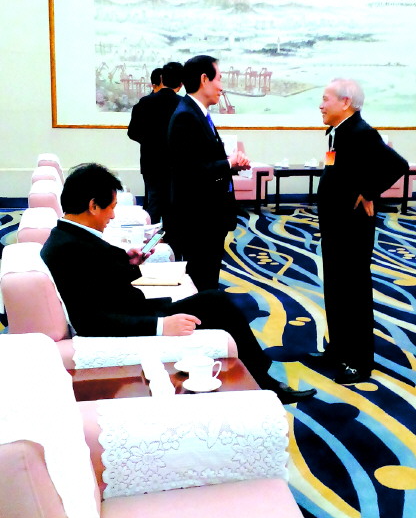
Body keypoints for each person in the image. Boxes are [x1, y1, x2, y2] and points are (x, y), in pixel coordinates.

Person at [41, 163, 316, 404]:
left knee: (215, 300)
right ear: (93, 206)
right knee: (217, 303)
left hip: (133, 309)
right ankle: (264, 381)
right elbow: (90, 320)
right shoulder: (69, 249)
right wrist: (162, 326)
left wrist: (129, 262)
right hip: (134, 322)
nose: (112, 216)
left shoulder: (70, 237)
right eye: (111, 208)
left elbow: (102, 279)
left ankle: (260, 373)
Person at [308, 78, 408, 385]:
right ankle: (338, 350)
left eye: (326, 99)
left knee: (354, 295)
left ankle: (359, 362)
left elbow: (397, 165)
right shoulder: (338, 132)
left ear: (345, 102)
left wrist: (368, 192)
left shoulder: (361, 132)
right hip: (336, 226)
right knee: (336, 290)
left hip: (352, 230)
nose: (321, 105)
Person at [166, 55, 249, 291]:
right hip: (199, 218)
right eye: (219, 79)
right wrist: (228, 163)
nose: (222, 87)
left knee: (207, 275)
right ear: (204, 79)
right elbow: (191, 171)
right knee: (202, 278)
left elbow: (202, 160)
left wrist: (230, 164)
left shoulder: (197, 113)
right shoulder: (186, 116)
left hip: (208, 215)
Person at [127, 62, 183, 224]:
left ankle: (151, 237)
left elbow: (132, 132)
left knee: (153, 205)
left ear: (162, 79)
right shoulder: (184, 105)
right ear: (181, 84)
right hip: (176, 164)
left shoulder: (144, 102)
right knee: (175, 206)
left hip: (151, 161)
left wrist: (150, 142)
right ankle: (172, 237)